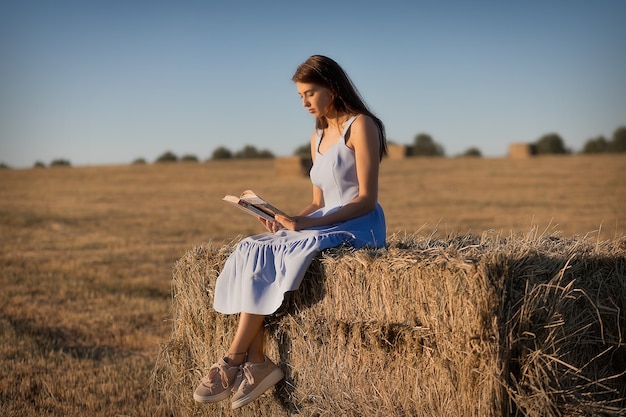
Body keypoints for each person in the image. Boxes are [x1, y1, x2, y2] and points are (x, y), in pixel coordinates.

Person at [193, 54, 388, 409]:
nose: (304, 102)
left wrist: (307, 225)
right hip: (324, 219)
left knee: (279, 250)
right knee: (255, 246)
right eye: (300, 96)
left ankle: (235, 359)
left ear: (332, 87)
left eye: (310, 93)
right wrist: (284, 220)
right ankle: (257, 360)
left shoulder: (361, 126)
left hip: (358, 225)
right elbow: (317, 201)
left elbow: (366, 199)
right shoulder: (317, 135)